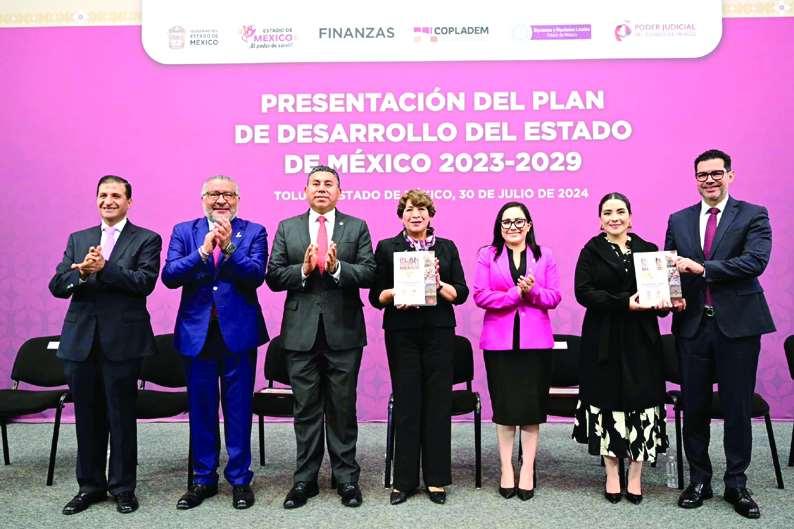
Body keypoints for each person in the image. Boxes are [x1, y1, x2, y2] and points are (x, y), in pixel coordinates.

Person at [665, 149, 774, 519]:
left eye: (716, 173)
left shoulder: (753, 214)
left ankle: (736, 484)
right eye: (702, 175)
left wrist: (703, 268)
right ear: (695, 179)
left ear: (730, 175)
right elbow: (671, 270)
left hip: (738, 327)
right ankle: (699, 480)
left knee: (736, 407)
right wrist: (671, 296)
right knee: (694, 406)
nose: (709, 180)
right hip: (693, 326)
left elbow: (755, 262)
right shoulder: (679, 219)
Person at [49, 175, 161, 515]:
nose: (108, 201)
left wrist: (105, 268)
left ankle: (123, 488)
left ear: (129, 201)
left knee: (121, 418)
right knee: (86, 417)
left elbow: (144, 282)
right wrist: (82, 273)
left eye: (115, 195)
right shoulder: (78, 238)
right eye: (102, 195)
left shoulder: (146, 239)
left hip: (123, 343)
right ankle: (90, 487)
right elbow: (57, 284)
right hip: (80, 342)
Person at [266, 165, 375, 509]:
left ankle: (346, 478)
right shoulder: (288, 227)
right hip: (300, 333)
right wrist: (304, 268)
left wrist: (337, 268)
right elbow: (273, 276)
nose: (322, 189)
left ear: (339, 192)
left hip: (344, 331)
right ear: (305, 191)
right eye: (316, 183)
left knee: (342, 408)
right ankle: (305, 479)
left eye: (329, 184)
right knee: (306, 409)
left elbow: (370, 272)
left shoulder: (356, 226)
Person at [161, 175, 268, 510]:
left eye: (228, 194)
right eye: (214, 194)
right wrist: (204, 251)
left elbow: (256, 275)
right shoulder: (184, 231)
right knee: (202, 409)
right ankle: (203, 479)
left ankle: (240, 479)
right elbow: (170, 275)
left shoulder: (254, 231)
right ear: (202, 198)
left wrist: (229, 247)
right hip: (198, 335)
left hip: (238, 335)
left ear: (238, 199)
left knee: (239, 410)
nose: (221, 200)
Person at [572, 192, 673, 505]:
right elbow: (583, 292)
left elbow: (660, 301)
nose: (614, 217)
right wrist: (623, 302)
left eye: (619, 212)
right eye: (607, 212)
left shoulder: (649, 250)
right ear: (600, 219)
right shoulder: (591, 250)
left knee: (643, 403)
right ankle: (612, 473)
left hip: (642, 339)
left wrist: (668, 302)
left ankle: (636, 475)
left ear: (630, 216)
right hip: (603, 338)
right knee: (608, 403)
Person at [369, 189, 469, 505]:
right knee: (407, 403)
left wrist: (437, 284)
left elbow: (461, 293)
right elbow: (375, 297)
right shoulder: (387, 247)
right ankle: (405, 480)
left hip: (439, 332)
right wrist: (398, 293)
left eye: (422, 209)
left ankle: (436, 479)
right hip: (402, 334)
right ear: (401, 215)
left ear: (430, 214)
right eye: (410, 209)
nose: (416, 214)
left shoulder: (447, 248)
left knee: (438, 404)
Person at [472, 201, 561, 500]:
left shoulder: (544, 255)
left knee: (532, 409)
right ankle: (506, 468)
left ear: (529, 225)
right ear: (500, 227)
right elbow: (481, 296)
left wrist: (532, 291)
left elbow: (554, 297)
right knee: (506, 409)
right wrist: (514, 293)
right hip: (499, 342)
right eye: (507, 222)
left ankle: (527, 470)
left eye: (519, 221)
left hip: (536, 343)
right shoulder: (487, 255)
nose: (513, 227)